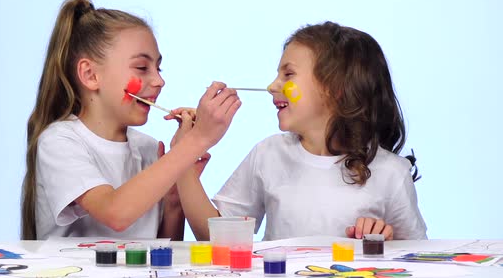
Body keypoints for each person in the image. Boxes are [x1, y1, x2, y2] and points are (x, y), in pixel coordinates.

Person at [175, 21, 427, 241]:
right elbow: (215, 237)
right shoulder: (269, 153)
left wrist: (385, 240)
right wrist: (182, 158)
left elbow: (418, 259)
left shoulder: (392, 173)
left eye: (288, 74)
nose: (272, 86)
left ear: (335, 88)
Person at [20, 0, 241, 240]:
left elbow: (162, 254)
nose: (159, 81)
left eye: (159, 68)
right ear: (90, 74)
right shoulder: (60, 141)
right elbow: (115, 213)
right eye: (142, 68)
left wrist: (173, 201)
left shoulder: (147, 149)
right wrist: (196, 141)